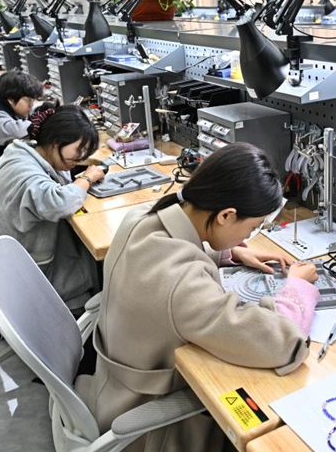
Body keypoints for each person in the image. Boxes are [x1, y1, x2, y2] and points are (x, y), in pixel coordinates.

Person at [87, 143, 320, 452]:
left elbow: (179, 244)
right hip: (150, 425)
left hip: (110, 387)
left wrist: (230, 250)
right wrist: (296, 288)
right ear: (226, 215)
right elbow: (280, 344)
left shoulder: (142, 216)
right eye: (251, 228)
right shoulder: (182, 282)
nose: (249, 237)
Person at [0, 103, 105, 313]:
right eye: (78, 151)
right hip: (30, 275)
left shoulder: (24, 154)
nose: (80, 159)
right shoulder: (23, 170)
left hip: (16, 257)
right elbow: (59, 202)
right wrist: (87, 177)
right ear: (55, 142)